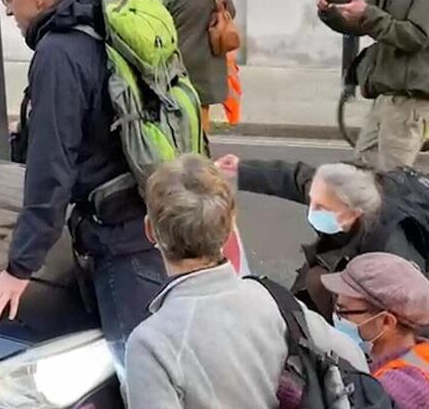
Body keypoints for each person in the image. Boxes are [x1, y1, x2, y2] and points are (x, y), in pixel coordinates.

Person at [0, 0, 167, 369]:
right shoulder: (95, 21)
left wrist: (19, 268)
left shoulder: (58, 52)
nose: (9, 12)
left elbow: (51, 172)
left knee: (142, 374)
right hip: (144, 225)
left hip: (121, 244)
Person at [125, 154, 368, 409]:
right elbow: (353, 360)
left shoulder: (151, 343)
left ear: (150, 230)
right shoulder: (272, 301)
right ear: (231, 223)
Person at [215, 154, 425, 322]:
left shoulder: (391, 251)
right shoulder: (334, 191)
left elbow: (415, 311)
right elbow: (299, 177)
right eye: (312, 202)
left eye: (321, 207)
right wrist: (242, 170)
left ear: (354, 213)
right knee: (316, 281)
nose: (312, 211)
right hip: (340, 265)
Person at [317, 0, 429, 171]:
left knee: (391, 182)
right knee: (362, 177)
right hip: (386, 95)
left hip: (411, 102)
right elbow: (361, 15)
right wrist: (333, 9)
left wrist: (367, 13)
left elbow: (416, 37)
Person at [322, 252, 429, 409]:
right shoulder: (417, 355)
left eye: (343, 312)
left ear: (386, 321)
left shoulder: (398, 390)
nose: (336, 318)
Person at [164, 0, 236, 132]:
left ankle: (184, 147)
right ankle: (200, 148)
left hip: (180, 60)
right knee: (202, 109)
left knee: (179, 107)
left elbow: (164, 19)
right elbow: (231, 12)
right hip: (207, 59)